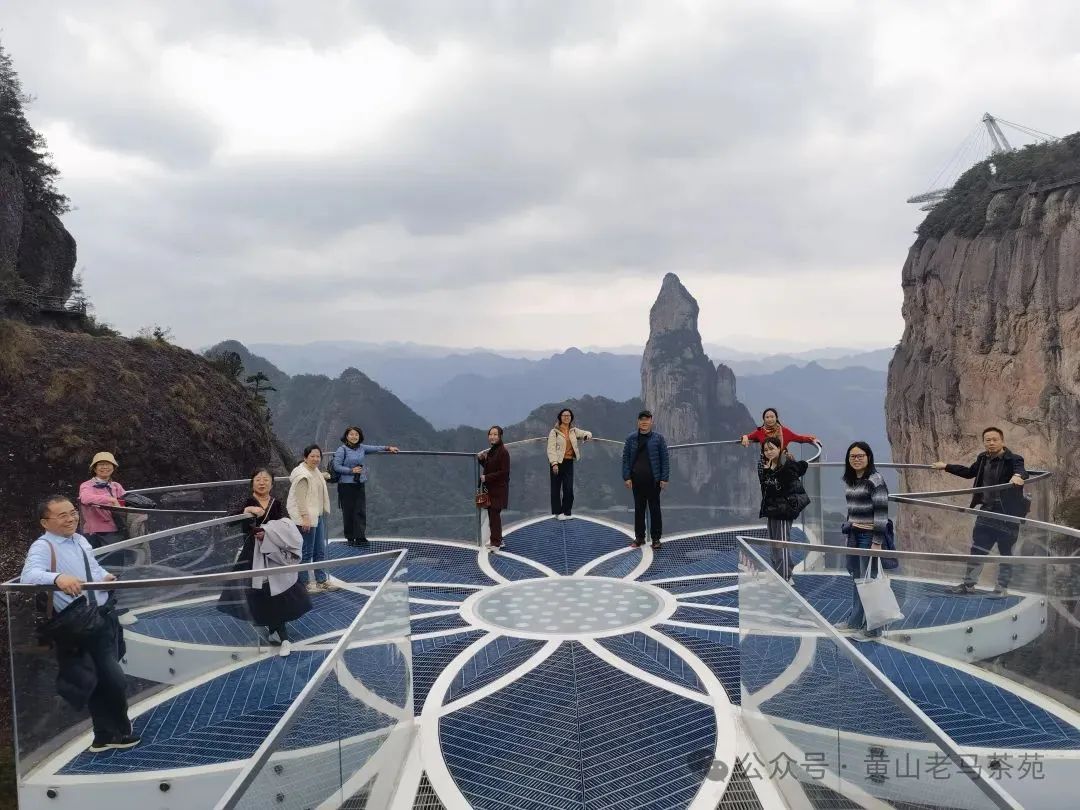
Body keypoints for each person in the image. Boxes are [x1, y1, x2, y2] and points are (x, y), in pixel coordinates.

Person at [20, 495, 140, 752]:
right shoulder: (43, 546)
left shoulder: (80, 540)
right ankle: (117, 731)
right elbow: (28, 576)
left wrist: (105, 577)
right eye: (62, 515)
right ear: (45, 522)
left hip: (102, 614)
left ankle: (105, 735)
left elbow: (93, 568)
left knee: (102, 677)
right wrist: (58, 578)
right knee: (113, 679)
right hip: (80, 622)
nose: (71, 518)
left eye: (73, 512)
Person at [219, 469, 311, 655]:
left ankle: (283, 636)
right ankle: (274, 630)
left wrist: (268, 533)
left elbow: (286, 525)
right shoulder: (246, 501)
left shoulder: (276, 503)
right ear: (252, 483)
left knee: (278, 592)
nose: (262, 483)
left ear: (272, 483)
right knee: (259, 593)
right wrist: (246, 511)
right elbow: (228, 520)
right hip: (252, 555)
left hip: (273, 554)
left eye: (266, 480)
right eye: (258, 479)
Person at [932, 427, 1028, 597]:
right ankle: (968, 585)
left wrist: (1018, 476)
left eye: (995, 439)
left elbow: (1021, 471)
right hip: (986, 512)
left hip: (1007, 515)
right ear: (984, 442)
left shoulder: (1013, 459)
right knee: (977, 549)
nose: (991, 443)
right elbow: (969, 472)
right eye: (987, 440)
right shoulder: (983, 458)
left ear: (1002, 441)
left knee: (1005, 553)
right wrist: (946, 466)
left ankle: (1001, 588)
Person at [841, 441, 891, 638]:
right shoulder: (852, 480)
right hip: (854, 535)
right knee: (857, 580)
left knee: (869, 582)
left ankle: (873, 629)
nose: (856, 459)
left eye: (860, 456)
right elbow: (851, 510)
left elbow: (881, 514)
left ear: (868, 457)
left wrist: (876, 543)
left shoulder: (875, 480)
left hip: (868, 537)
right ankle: (854, 621)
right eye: (852, 456)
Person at [331, 426, 400, 546]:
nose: (354, 437)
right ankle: (350, 538)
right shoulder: (342, 450)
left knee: (360, 510)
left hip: (359, 483)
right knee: (348, 511)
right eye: (351, 434)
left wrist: (388, 448)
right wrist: (351, 471)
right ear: (346, 436)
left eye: (356, 434)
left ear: (360, 436)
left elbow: (376, 448)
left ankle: (360, 537)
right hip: (346, 485)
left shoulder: (362, 448)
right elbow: (336, 466)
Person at [758, 437, 810, 581]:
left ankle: (785, 577)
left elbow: (799, 469)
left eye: (772, 448)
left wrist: (786, 463)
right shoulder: (766, 466)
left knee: (782, 544)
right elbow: (767, 489)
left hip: (783, 510)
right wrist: (768, 471)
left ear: (779, 449)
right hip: (771, 509)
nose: (769, 452)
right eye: (766, 450)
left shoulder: (786, 465)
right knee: (774, 544)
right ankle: (778, 574)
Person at [287, 445, 334, 594]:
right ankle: (304, 583)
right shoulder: (302, 475)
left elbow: (315, 482)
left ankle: (321, 581)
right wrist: (305, 518)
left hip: (317, 516)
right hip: (307, 518)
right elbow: (300, 499)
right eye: (312, 456)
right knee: (306, 552)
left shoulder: (315, 472)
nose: (315, 459)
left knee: (319, 551)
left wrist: (324, 475)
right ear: (305, 458)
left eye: (318, 456)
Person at [621, 410, 670, 550]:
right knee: (639, 510)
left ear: (651, 422)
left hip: (654, 481)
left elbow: (665, 459)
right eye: (642, 419)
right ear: (638, 422)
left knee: (655, 510)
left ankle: (656, 539)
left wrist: (664, 478)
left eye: (647, 419)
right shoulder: (631, 438)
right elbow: (625, 459)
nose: (644, 422)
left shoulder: (658, 439)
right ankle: (639, 538)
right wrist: (627, 477)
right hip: (636, 480)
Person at [546, 408, 593, 520]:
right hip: (557, 462)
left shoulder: (573, 430)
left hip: (568, 462)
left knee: (568, 488)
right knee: (556, 489)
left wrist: (587, 436)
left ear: (571, 417)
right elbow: (551, 448)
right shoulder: (554, 431)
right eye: (564, 415)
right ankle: (558, 513)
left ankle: (566, 512)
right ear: (560, 417)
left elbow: (587, 433)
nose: (566, 417)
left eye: (568, 415)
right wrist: (554, 463)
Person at [77, 452, 128, 548]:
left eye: (108, 464)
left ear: (113, 468)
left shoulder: (116, 486)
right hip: (94, 531)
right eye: (101, 464)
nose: (105, 467)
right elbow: (85, 498)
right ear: (94, 468)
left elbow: (126, 500)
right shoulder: (87, 485)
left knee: (117, 556)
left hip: (116, 528)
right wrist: (111, 500)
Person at [477, 426, 511, 549]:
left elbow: (504, 472)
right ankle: (498, 540)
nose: (492, 437)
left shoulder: (503, 452)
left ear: (500, 436)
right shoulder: (493, 450)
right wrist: (482, 460)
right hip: (492, 489)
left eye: (495, 434)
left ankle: (496, 543)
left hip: (499, 489)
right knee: (492, 515)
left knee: (494, 516)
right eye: (490, 434)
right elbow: (491, 467)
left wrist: (487, 477)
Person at [740, 408, 817, 455]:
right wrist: (745, 437)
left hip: (782, 465)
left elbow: (800, 438)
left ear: (776, 418)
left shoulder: (784, 431)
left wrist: (813, 439)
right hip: (766, 465)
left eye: (772, 417)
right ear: (764, 419)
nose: (770, 419)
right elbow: (748, 436)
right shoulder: (760, 431)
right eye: (767, 417)